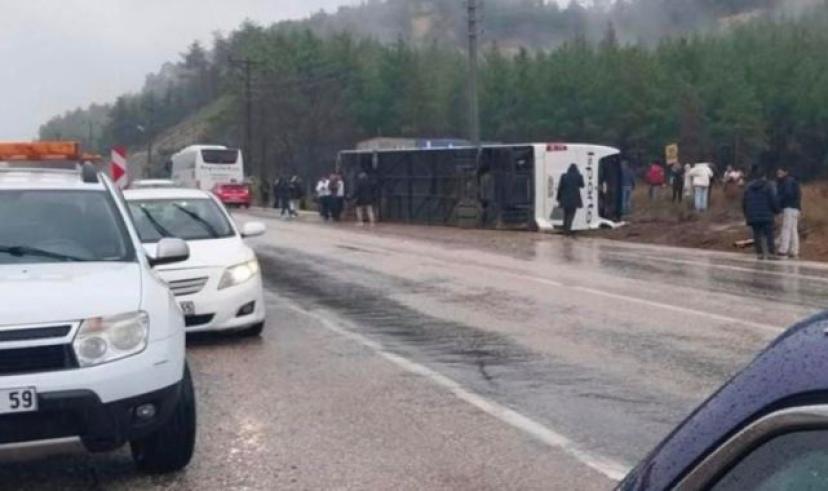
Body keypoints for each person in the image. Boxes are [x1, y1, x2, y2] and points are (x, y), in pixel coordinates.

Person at [743, 166, 781, 260]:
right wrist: (777, 210)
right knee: (769, 234)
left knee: (757, 234)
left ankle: (759, 253)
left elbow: (744, 202)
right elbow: (773, 200)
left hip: (753, 216)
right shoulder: (769, 186)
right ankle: (771, 253)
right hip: (766, 215)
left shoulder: (748, 187)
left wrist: (747, 214)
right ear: (764, 176)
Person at [776, 166, 802, 259]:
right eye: (778, 172)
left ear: (786, 172)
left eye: (780, 172)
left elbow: (787, 194)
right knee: (793, 229)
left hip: (789, 207)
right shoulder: (793, 181)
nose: (778, 174)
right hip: (796, 208)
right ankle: (794, 250)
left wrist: (779, 202)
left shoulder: (786, 182)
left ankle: (783, 249)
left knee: (786, 228)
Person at [557, 163, 585, 236]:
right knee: (571, 215)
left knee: (565, 215)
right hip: (574, 199)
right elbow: (582, 185)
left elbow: (560, 188)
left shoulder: (564, 176)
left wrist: (558, 198)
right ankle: (567, 231)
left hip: (564, 198)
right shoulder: (579, 176)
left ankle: (565, 230)